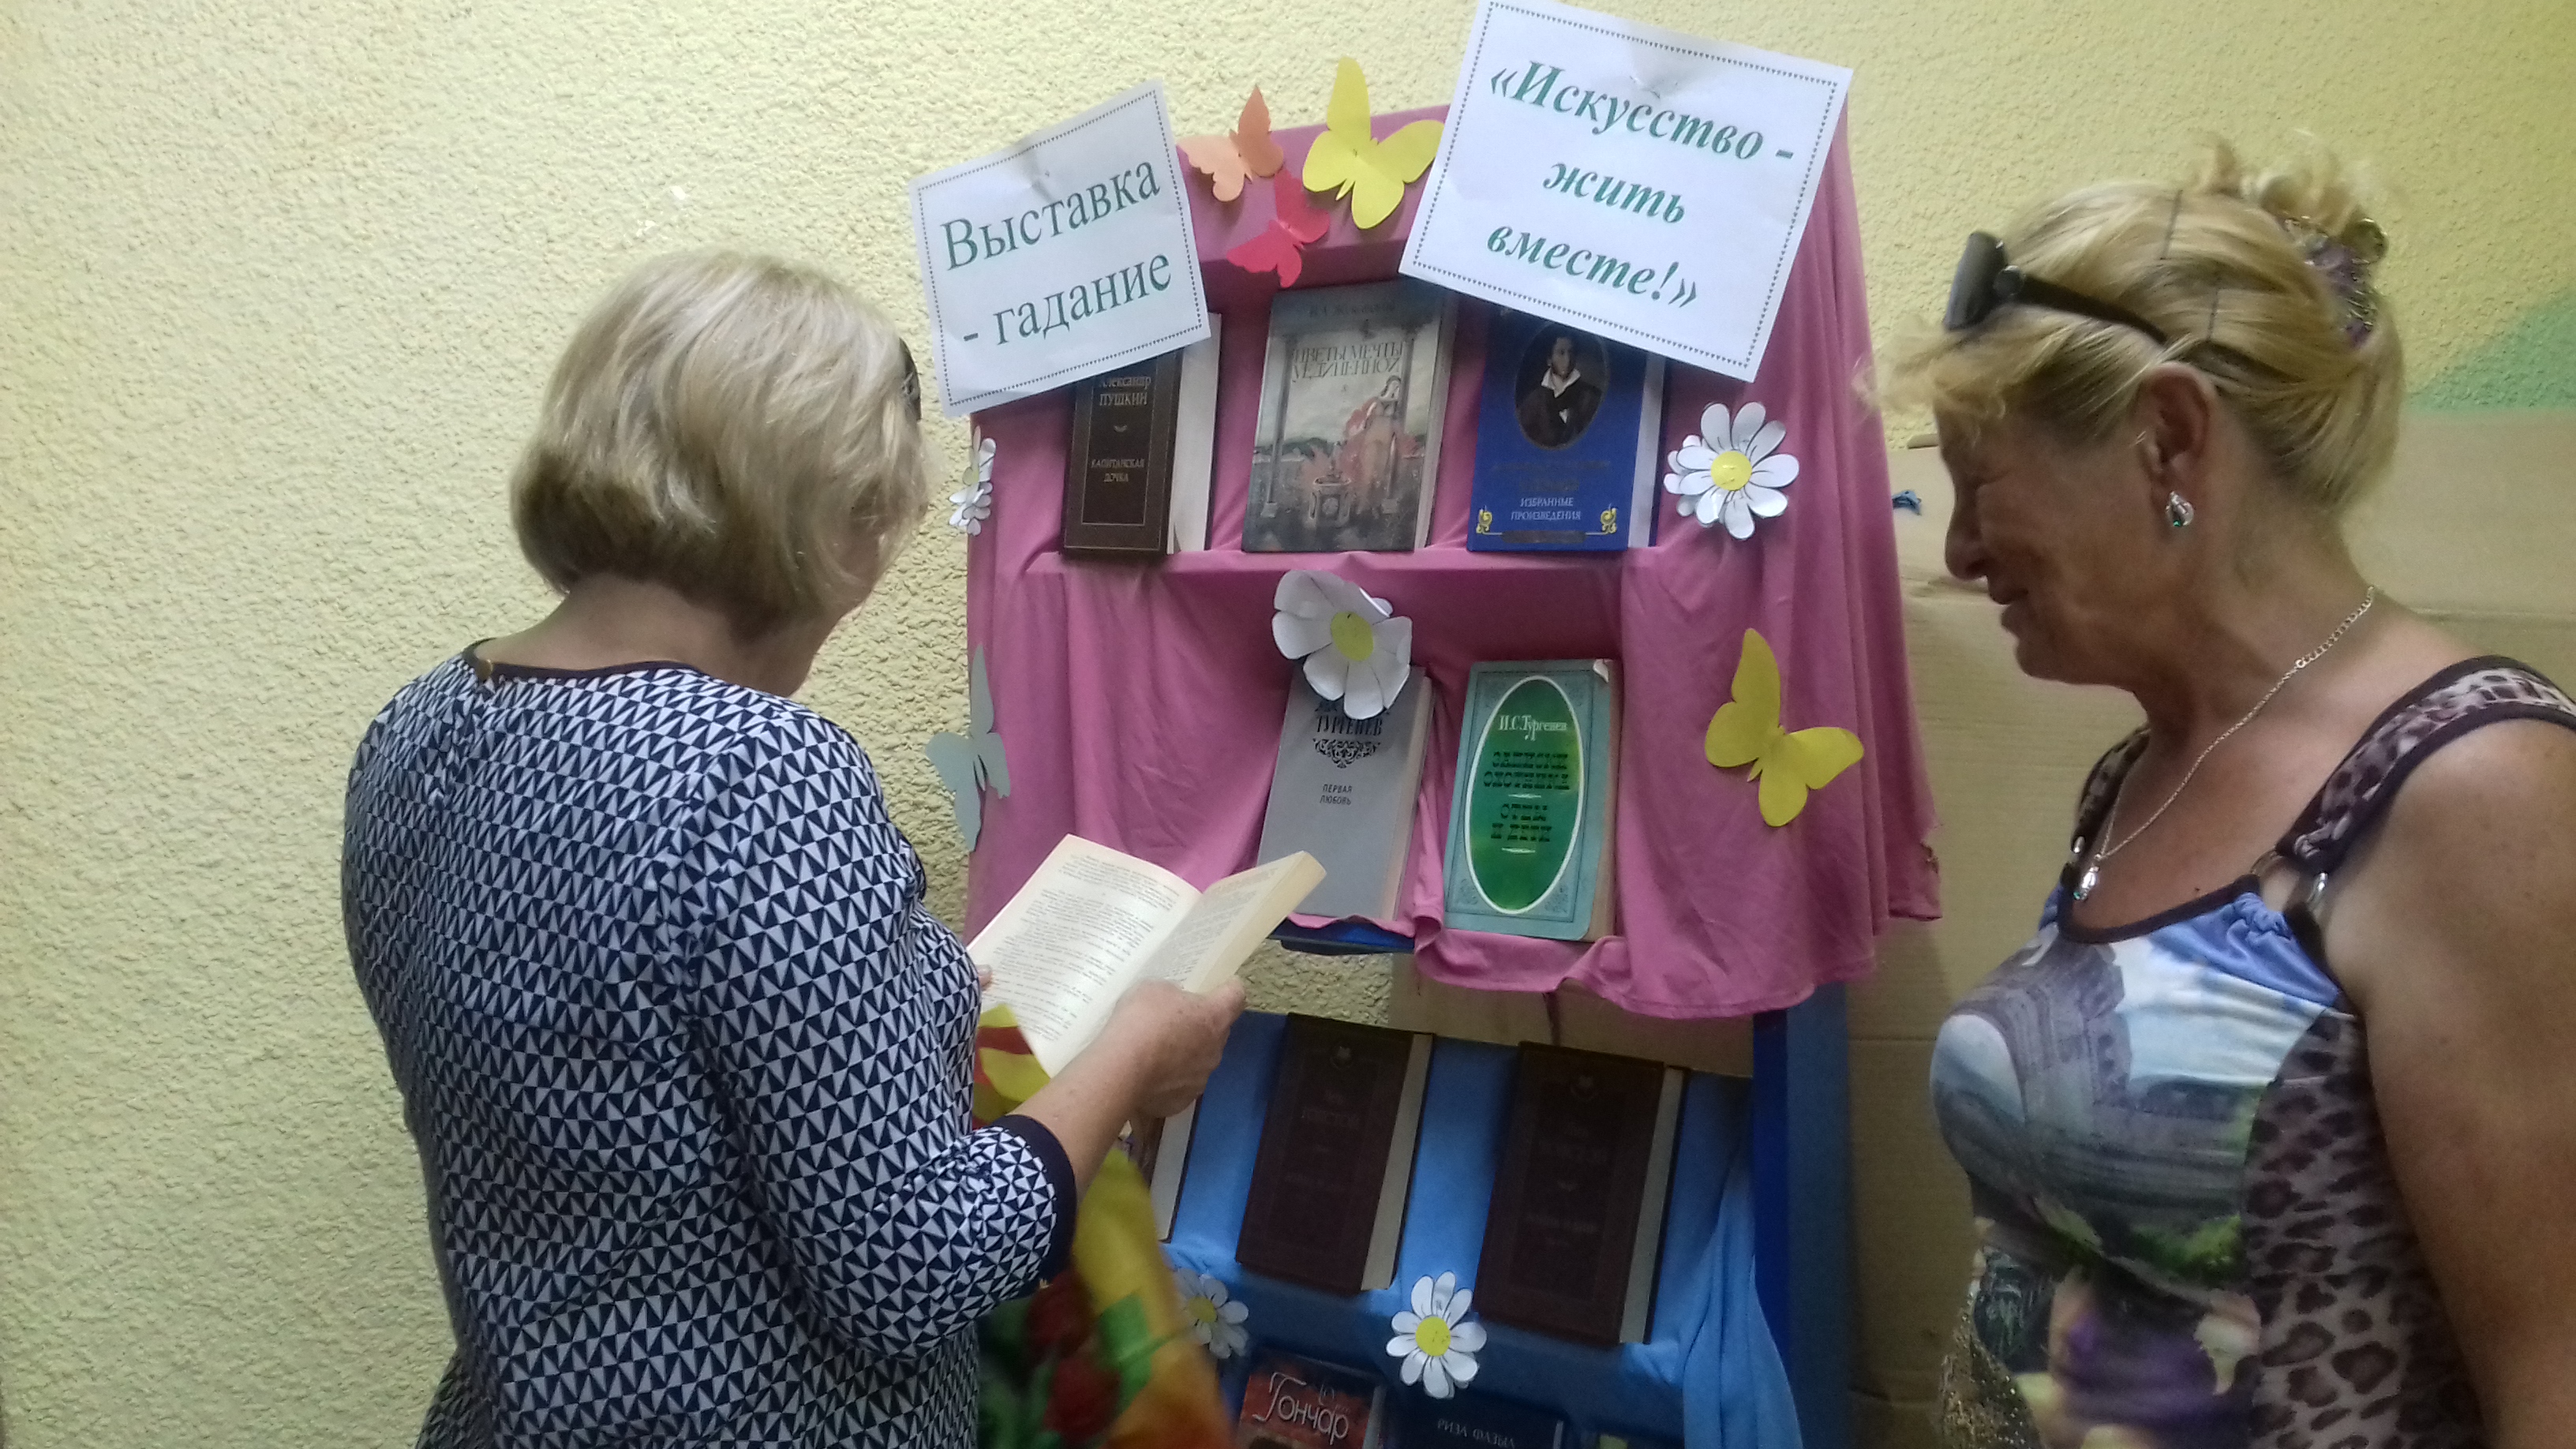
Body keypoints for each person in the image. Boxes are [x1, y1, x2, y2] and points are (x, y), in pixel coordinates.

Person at [342, 250, 1245, 1447]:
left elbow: (634, 1065)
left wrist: (909, 994)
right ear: (836, 519)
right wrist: (1134, 1051)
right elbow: (915, 1269)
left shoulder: (415, 729)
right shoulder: (756, 773)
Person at [1893, 146, 2576, 1447]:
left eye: (1982, 485)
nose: (1961, 551)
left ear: (2166, 436)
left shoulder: (2476, 789)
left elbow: (2555, 1373)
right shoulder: (2142, 770)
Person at [1516, 333, 1602, 447]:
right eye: (1561, 353)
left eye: (1571, 353)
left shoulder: (1590, 396)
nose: (1567, 359)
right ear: (1549, 359)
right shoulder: (1533, 401)